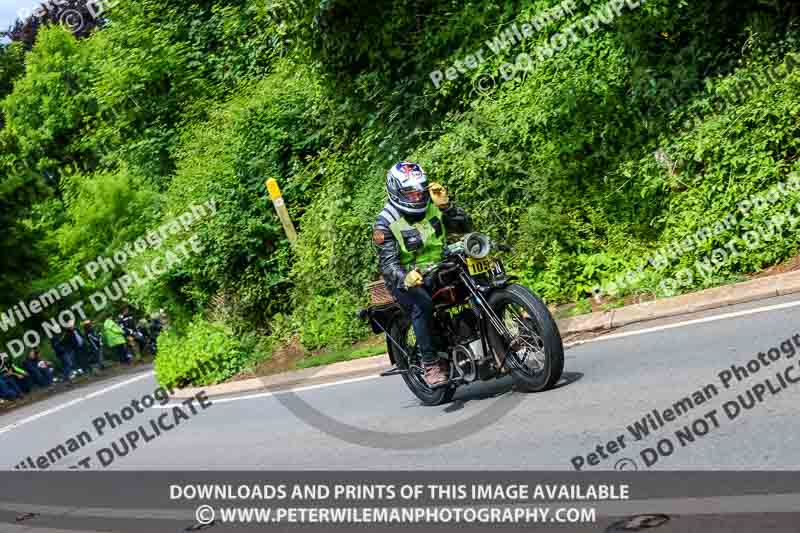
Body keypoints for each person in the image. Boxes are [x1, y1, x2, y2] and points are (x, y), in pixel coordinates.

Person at [372, 162, 472, 387]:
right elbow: (388, 264)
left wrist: (448, 208)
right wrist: (404, 277)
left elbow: (465, 227)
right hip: (407, 277)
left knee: (476, 275)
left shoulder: (433, 204)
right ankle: (430, 364)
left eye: (420, 190)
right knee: (422, 304)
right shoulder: (384, 223)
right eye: (411, 193)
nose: (417, 197)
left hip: (440, 265)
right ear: (397, 192)